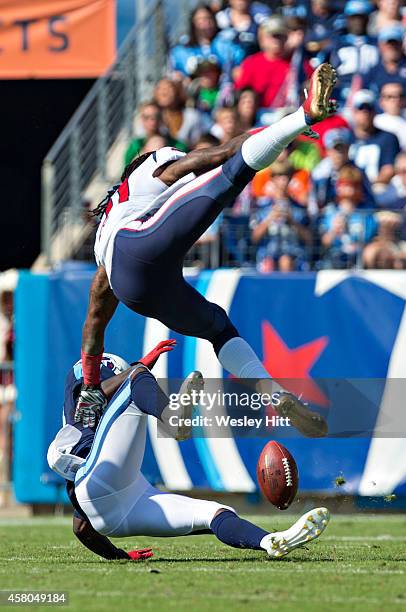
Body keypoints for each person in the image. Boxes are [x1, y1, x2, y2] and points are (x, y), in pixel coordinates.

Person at [74, 63, 338, 439]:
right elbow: (220, 154)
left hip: (133, 286)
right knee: (232, 174)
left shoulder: (105, 230)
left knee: (218, 328)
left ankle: (273, 392)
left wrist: (89, 385)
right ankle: (305, 113)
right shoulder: (150, 170)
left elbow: (95, 320)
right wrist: (288, 128)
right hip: (142, 241)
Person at [48, 351, 330, 560]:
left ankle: (269, 541)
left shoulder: (89, 433)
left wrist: (120, 556)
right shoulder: (84, 401)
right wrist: (140, 365)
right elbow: (102, 389)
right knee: (136, 379)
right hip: (106, 487)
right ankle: (172, 420)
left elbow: (81, 528)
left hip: (116, 508)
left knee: (215, 514)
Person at [250, 160, 312, 272]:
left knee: (286, 260)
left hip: (294, 255)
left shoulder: (299, 207)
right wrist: (270, 218)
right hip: (266, 255)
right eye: (278, 176)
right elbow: (254, 238)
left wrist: (292, 221)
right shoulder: (261, 206)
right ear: (272, 178)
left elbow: (309, 239)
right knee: (268, 263)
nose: (283, 180)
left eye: (287, 175)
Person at [319, 165, 377, 268]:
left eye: (354, 185)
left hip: (358, 261)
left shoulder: (366, 214)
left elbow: (369, 239)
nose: (350, 189)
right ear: (338, 187)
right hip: (334, 260)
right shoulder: (329, 212)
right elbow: (325, 242)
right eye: (345, 184)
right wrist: (334, 231)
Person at [169, 4, 245, 79]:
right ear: (193, 23)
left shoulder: (225, 44)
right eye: (201, 19)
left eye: (209, 18)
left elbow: (239, 62)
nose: (207, 23)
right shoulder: (182, 50)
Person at [310, 127, 376, 212]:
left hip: (355, 218)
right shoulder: (319, 173)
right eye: (335, 149)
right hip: (327, 219)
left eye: (342, 148)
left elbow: (370, 203)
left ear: (348, 149)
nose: (339, 153)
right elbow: (314, 205)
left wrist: (354, 207)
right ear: (327, 151)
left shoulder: (358, 172)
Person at [233, 16, 292, 108]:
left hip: (288, 114)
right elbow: (241, 94)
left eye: (280, 36)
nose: (276, 40)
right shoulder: (251, 63)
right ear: (262, 39)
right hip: (259, 116)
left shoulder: (297, 63)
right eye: (272, 36)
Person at [330, 0, 378, 106]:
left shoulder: (377, 44)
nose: (358, 21)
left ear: (368, 19)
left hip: (370, 95)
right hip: (342, 96)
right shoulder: (337, 44)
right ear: (347, 19)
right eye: (354, 17)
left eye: (362, 17)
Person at [349, 89, 400, 185]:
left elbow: (388, 169)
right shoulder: (346, 138)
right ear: (354, 112)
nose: (365, 113)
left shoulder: (388, 138)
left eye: (369, 109)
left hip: (378, 188)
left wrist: (370, 188)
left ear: (375, 112)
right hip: (350, 189)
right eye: (361, 109)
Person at [124, 102, 187, 167]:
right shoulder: (136, 145)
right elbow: (126, 171)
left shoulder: (176, 144)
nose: (152, 121)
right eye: (147, 117)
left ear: (162, 118)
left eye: (157, 116)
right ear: (142, 119)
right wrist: (145, 152)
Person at [153, 78, 210, 148]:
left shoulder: (191, 116)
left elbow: (198, 143)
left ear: (177, 91)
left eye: (169, 88)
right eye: (160, 88)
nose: (164, 92)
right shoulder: (149, 116)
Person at [363, 24, 406, 97]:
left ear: (401, 45)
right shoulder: (373, 71)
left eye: (395, 44)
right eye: (388, 44)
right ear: (380, 45)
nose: (392, 48)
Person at [374, 82, 406, 149]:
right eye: (390, 96)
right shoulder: (376, 123)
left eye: (401, 96)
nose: (397, 100)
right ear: (381, 101)